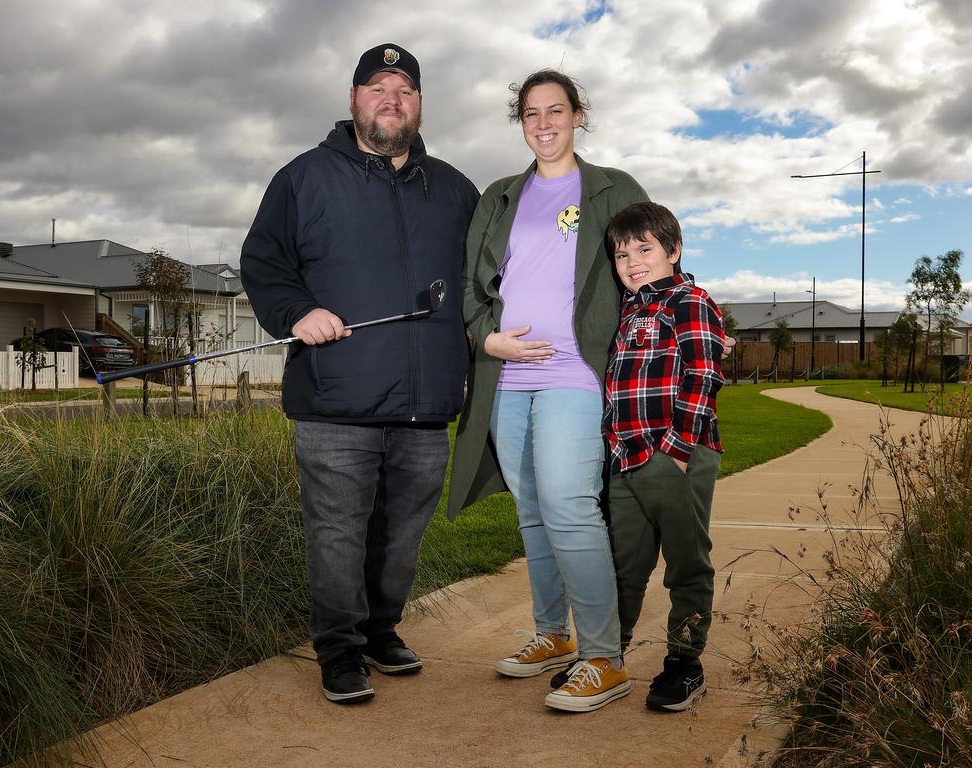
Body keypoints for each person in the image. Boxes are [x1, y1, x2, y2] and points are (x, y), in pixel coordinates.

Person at [240, 43, 479, 705]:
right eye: (378, 88)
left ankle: (380, 630)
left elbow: (489, 279)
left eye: (404, 91)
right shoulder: (303, 178)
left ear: (419, 105)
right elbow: (264, 263)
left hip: (427, 403)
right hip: (335, 399)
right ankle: (339, 649)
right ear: (353, 99)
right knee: (338, 535)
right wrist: (298, 311)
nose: (390, 100)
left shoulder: (455, 190)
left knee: (400, 537)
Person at [446, 69, 649, 713]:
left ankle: (604, 658)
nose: (543, 124)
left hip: (576, 374)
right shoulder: (500, 196)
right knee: (532, 506)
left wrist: (688, 323)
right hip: (508, 377)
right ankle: (553, 635)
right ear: (521, 122)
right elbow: (472, 284)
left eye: (555, 110)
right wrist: (487, 340)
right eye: (531, 113)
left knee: (569, 504)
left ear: (578, 115)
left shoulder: (614, 189)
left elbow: (650, 264)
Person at [603, 201, 724, 712]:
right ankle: (607, 655)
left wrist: (676, 451)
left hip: (677, 455)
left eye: (644, 249)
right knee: (624, 566)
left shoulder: (689, 301)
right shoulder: (627, 310)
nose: (632, 262)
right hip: (627, 458)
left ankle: (684, 662)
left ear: (673, 250)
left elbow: (703, 374)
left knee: (686, 562)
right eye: (621, 254)